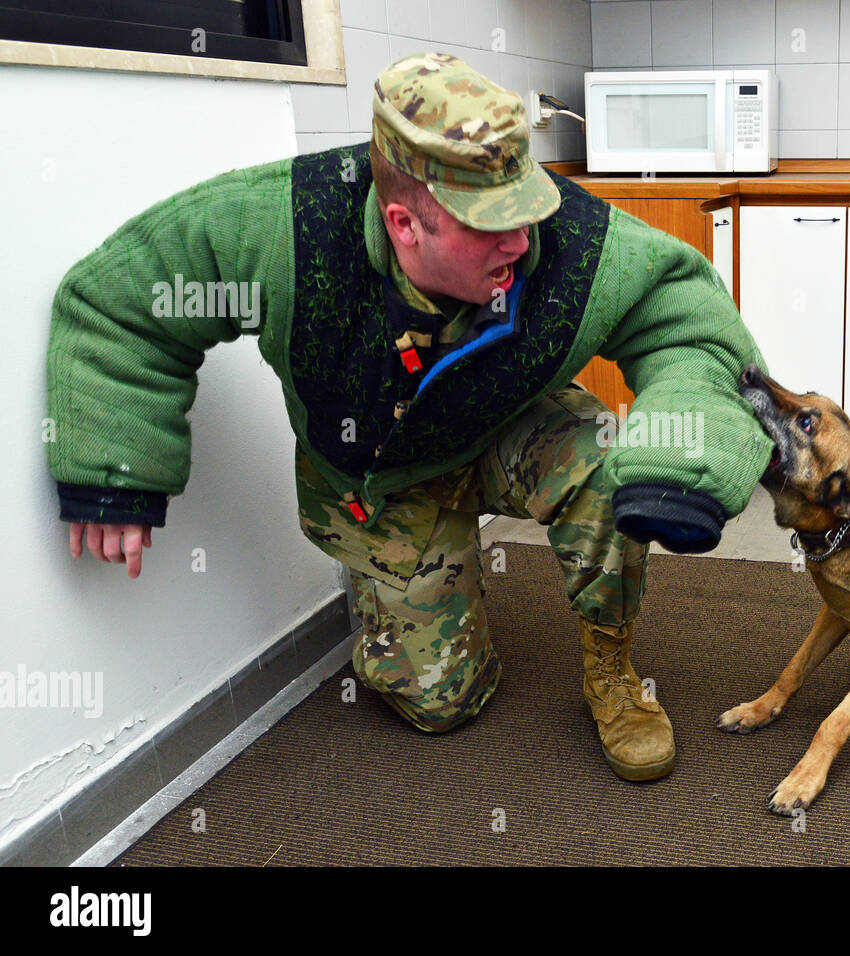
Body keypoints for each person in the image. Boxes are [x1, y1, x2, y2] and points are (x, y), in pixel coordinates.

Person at [46, 52, 772, 782]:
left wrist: (689, 447)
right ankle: (413, 579)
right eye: (490, 227)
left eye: (527, 209)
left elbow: (690, 327)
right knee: (443, 706)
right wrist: (116, 467)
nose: (520, 243)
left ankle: (611, 667)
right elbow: (120, 298)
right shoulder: (286, 227)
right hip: (380, 476)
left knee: (615, 460)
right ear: (404, 223)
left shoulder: (574, 241)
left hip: (505, 434)